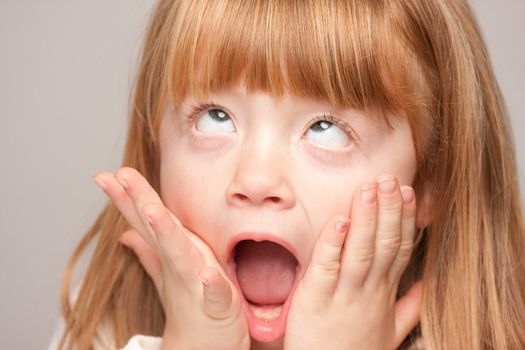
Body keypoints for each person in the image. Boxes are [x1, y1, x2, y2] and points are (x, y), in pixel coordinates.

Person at [53, 0, 525, 349]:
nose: (256, 180)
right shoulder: (99, 328)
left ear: (430, 181)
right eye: (215, 116)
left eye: (326, 128)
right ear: (156, 144)